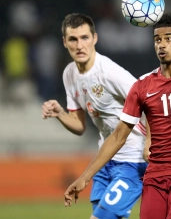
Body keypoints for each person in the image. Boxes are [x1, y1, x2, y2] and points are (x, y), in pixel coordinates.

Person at [64, 12, 171, 219]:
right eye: (157, 39)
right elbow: (117, 137)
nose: (162, 45)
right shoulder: (142, 86)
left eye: (168, 39)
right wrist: (85, 178)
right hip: (155, 175)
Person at [41, 13, 148, 219]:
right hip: (105, 159)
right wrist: (61, 114)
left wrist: (149, 142)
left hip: (132, 161)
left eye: (84, 38)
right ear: (65, 42)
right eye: (73, 39)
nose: (79, 45)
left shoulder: (109, 72)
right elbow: (79, 126)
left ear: (95, 39)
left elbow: (149, 100)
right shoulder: (69, 74)